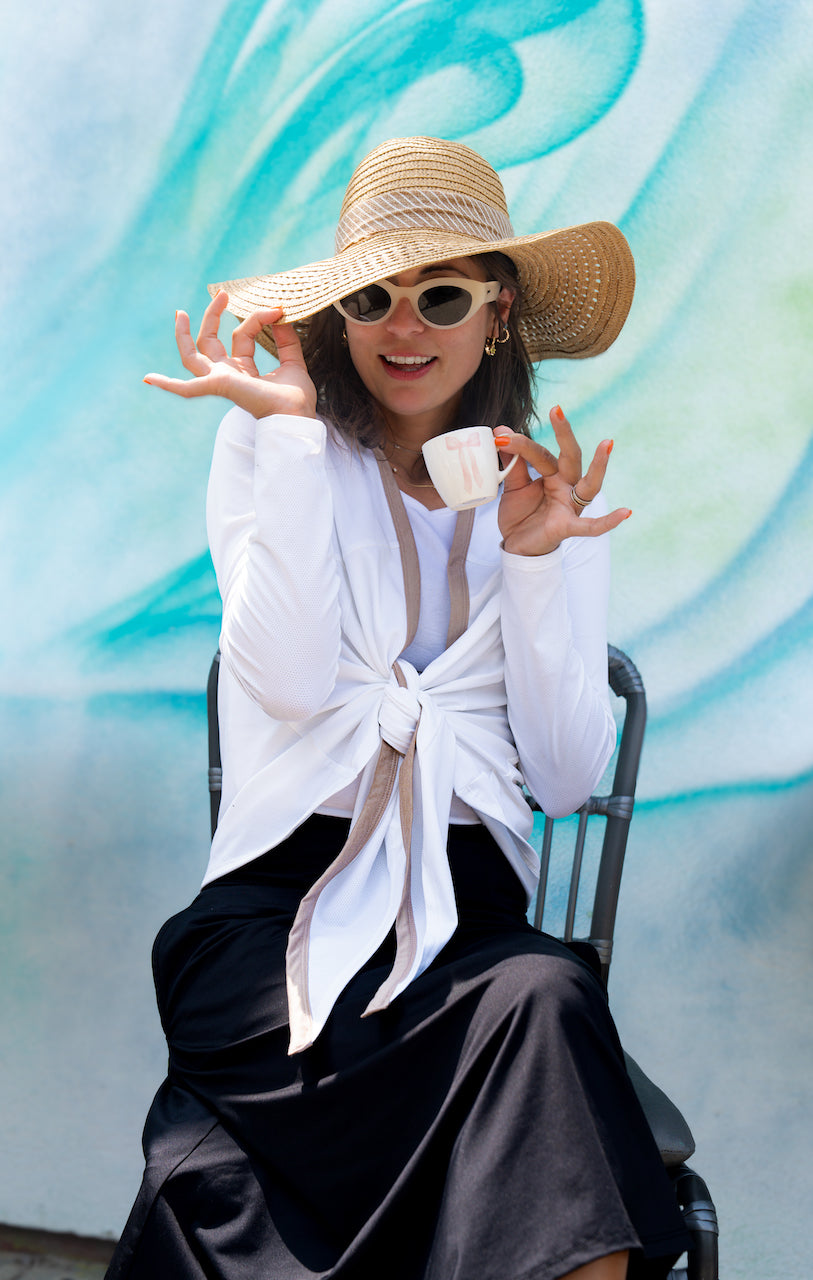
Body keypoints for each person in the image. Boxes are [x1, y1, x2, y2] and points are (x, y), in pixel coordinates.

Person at [107, 137, 690, 1280]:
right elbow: (282, 681)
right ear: (340, 314)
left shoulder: (544, 499)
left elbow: (564, 778)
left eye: (442, 295)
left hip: (468, 924)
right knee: (539, 1055)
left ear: (498, 312)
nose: (403, 326)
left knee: (548, 999)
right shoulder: (276, 442)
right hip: (277, 920)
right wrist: (288, 434)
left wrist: (536, 565)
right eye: (371, 297)